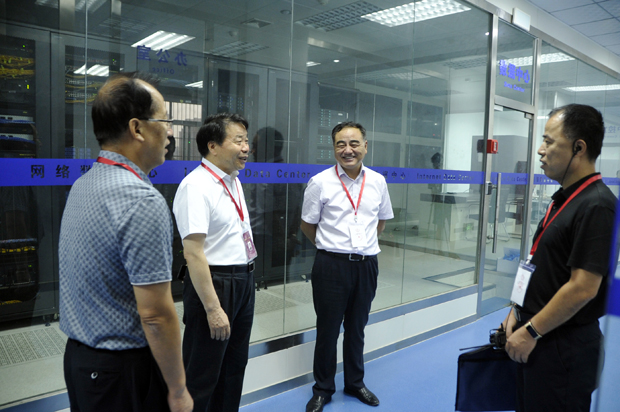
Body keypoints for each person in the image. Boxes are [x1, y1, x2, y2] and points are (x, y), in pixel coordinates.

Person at [58, 72, 193, 412]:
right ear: (137, 128)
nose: (170, 132)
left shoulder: (84, 184)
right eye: (165, 120)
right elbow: (155, 315)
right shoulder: (140, 199)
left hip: (81, 362)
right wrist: (178, 389)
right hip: (122, 372)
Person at [502, 104, 616, 412]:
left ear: (579, 148)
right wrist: (516, 311)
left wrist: (531, 330)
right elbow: (540, 264)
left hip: (561, 347)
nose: (541, 150)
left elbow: (583, 288)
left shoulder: (597, 205)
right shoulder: (564, 199)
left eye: (549, 141)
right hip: (537, 337)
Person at [301, 121, 394, 412]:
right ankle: (323, 389)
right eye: (340, 144)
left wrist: (361, 246)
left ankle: (355, 383)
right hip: (331, 266)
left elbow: (380, 221)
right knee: (328, 330)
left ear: (365, 146)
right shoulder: (320, 182)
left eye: (354, 143)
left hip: (366, 265)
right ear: (333, 148)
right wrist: (332, 247)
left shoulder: (377, 181)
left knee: (357, 328)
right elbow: (307, 225)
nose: (347, 150)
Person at [173, 112, 256, 412]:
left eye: (246, 141)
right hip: (215, 285)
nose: (246, 147)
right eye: (238, 141)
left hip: (243, 280)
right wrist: (212, 308)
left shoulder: (233, 180)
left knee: (234, 367)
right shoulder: (195, 186)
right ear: (213, 146)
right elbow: (193, 253)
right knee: (202, 373)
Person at [248, 127, 302, 288]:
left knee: (269, 284)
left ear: (267, 147)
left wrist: (284, 240)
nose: (252, 150)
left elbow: (272, 213)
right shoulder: (287, 171)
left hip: (268, 240)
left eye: (255, 145)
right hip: (277, 239)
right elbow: (297, 208)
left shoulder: (270, 174)